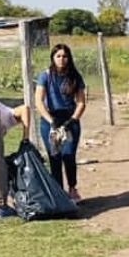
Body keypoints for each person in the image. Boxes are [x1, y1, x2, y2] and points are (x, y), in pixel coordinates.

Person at [35, 43, 87, 201]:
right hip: (50, 120)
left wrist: (72, 120)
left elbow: (81, 103)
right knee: (54, 156)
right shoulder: (45, 76)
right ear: (53, 58)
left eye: (65, 56)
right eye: (58, 56)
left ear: (69, 58)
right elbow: (39, 101)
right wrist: (51, 121)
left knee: (69, 154)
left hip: (69, 119)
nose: (62, 59)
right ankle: (58, 193)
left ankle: (72, 188)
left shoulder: (75, 77)